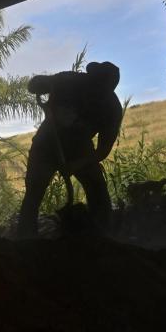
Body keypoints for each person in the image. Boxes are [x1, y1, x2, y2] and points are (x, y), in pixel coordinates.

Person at [18, 61, 123, 238]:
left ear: (108, 91)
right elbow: (33, 85)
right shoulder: (68, 80)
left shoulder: (111, 109)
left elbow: (102, 151)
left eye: (100, 89)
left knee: (98, 191)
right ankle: (25, 241)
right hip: (46, 145)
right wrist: (42, 85)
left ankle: (103, 236)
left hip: (79, 149)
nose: (94, 91)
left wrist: (76, 165)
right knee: (34, 194)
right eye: (93, 84)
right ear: (89, 77)